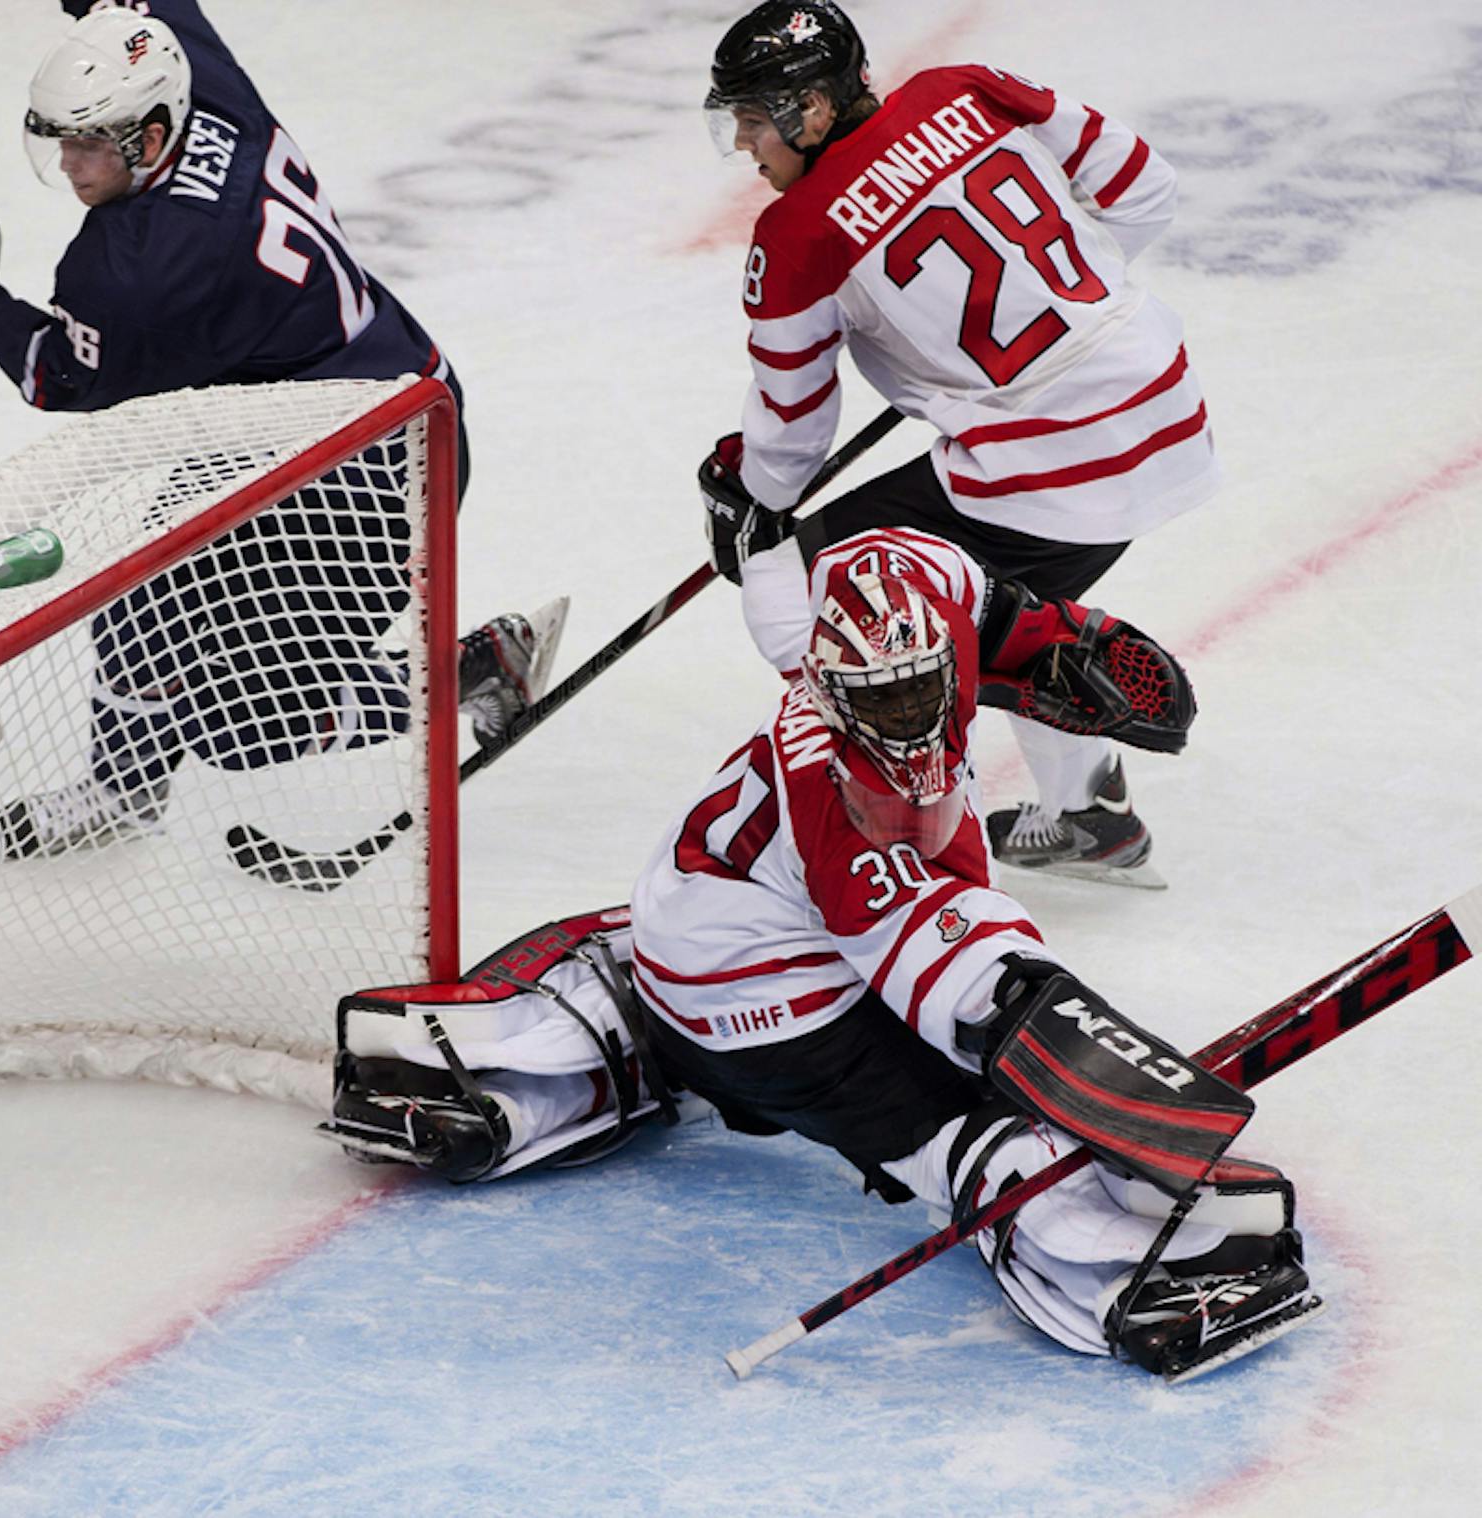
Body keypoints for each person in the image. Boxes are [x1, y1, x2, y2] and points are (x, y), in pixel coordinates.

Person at [325, 528, 1320, 1382]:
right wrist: (1132, 1094)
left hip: (689, 920)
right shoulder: (852, 815)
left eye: (920, 690)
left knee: (798, 992)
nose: (907, 723)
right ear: (830, 692)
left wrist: (1049, 635)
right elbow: (987, 994)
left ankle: (594, 1037)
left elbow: (967, 596)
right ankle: (1126, 1267)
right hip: (766, 1015)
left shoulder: (904, 583)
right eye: (879, 707)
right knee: (979, 1122)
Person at [0, 1, 560, 855]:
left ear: (149, 136)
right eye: (60, 138)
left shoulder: (140, 268)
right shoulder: (191, 79)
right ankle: (120, 795)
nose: (69, 162)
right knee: (140, 606)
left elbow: (56, 375)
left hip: (377, 467)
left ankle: (478, 668)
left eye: (90, 143)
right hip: (304, 418)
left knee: (244, 725)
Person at [693, 1, 1217, 888]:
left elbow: (794, 428)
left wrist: (748, 496)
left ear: (811, 108)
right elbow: (1143, 186)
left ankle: (907, 830)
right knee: (997, 606)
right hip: (1166, 406)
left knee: (800, 584)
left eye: (751, 119)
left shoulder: (798, 233)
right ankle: (1087, 811)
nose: (743, 143)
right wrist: (1052, 320)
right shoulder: (967, 88)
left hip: (1050, 465)